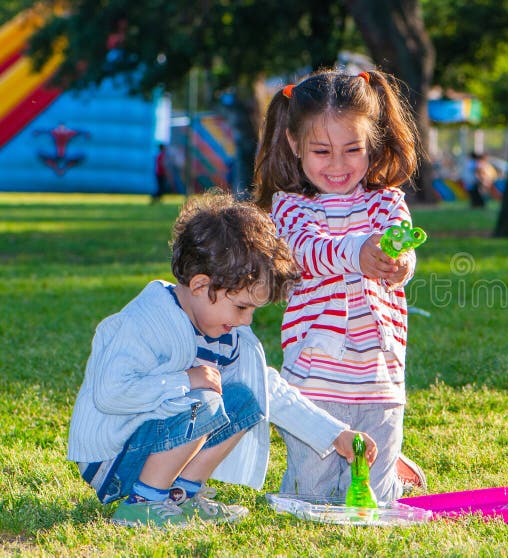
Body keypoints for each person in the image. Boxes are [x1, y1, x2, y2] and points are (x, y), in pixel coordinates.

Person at [67, 191, 377, 527]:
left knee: (245, 399)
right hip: (117, 458)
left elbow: (271, 391)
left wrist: (335, 434)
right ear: (200, 285)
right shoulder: (146, 321)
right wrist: (185, 380)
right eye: (241, 307)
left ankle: (181, 495)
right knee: (205, 401)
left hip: (157, 443)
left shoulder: (224, 332)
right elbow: (110, 392)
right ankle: (142, 501)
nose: (246, 321)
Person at [252, 68, 427, 503]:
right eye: (322, 150)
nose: (337, 165)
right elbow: (306, 250)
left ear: (372, 143)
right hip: (315, 379)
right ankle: (347, 475)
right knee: (309, 493)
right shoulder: (289, 207)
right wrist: (357, 252)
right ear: (294, 144)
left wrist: (401, 262)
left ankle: (391, 471)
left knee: (379, 500)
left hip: (380, 377)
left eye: (353, 149)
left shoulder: (388, 200)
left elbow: (402, 243)